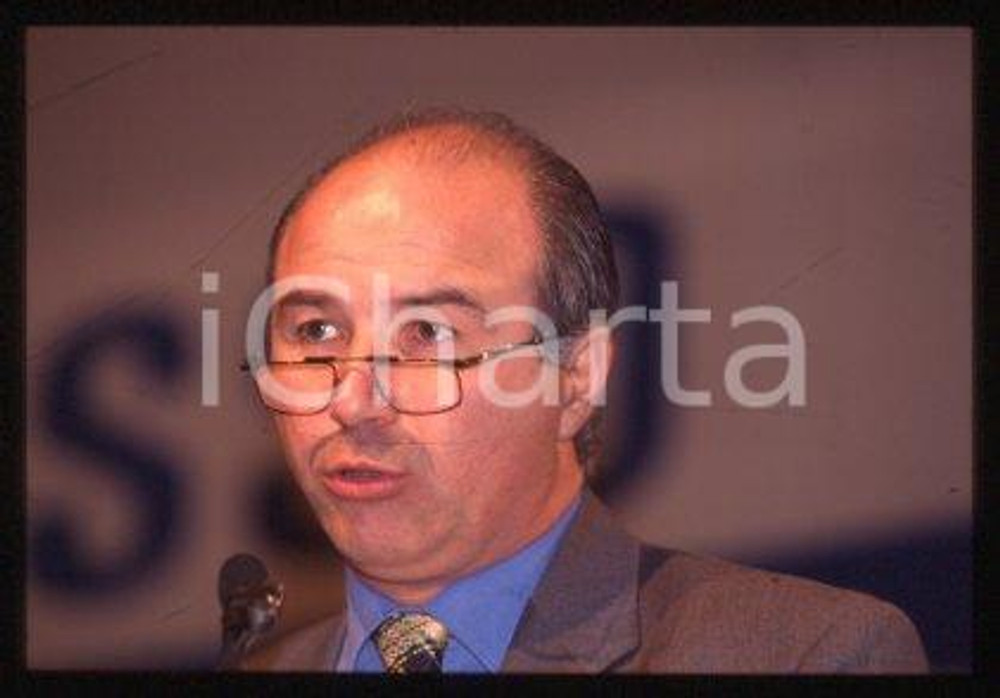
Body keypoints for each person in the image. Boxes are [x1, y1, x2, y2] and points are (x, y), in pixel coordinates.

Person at [239, 107, 928, 673]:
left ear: (576, 377)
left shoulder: (806, 655)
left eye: (429, 333)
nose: (352, 401)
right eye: (317, 332)